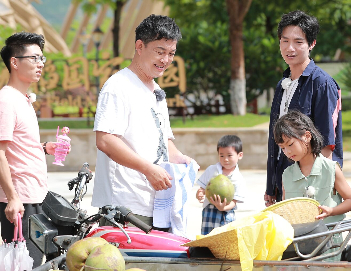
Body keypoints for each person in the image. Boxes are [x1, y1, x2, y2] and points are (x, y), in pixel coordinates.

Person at [92, 14, 195, 228]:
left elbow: (163, 140)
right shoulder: (118, 86)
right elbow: (105, 140)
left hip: (156, 206)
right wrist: (148, 169)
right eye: (160, 52)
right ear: (140, 46)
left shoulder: (157, 91)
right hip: (125, 209)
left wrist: (181, 160)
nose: (165, 60)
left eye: (171, 53)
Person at [0, 32, 59, 267]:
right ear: (15, 62)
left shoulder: (23, 99)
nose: (41, 64)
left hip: (35, 194)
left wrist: (44, 148)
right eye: (35, 58)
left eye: (42, 59)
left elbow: (15, 146)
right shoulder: (5, 101)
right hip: (20, 200)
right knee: (23, 263)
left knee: (36, 261)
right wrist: (12, 198)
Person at [265, 10, 343, 207]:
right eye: (284, 41)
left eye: (298, 42)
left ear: (312, 44)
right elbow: (276, 140)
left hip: (310, 186)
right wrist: (271, 186)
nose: (290, 48)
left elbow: (327, 141)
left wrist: (320, 186)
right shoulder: (283, 83)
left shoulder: (322, 83)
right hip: (286, 180)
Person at [274, 110, 351, 260]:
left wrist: (331, 210)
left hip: (329, 243)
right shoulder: (286, 174)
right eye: (283, 148)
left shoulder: (331, 168)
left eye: (290, 144)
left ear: (307, 136)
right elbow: (285, 209)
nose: (287, 151)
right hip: (298, 245)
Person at [196, 135, 245, 235]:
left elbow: (234, 201)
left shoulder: (238, 178)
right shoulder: (211, 170)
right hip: (209, 212)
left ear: (239, 155)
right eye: (221, 155)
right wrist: (200, 193)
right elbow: (203, 187)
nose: (225, 159)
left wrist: (223, 208)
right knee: (207, 239)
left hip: (226, 214)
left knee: (225, 241)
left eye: (229, 155)